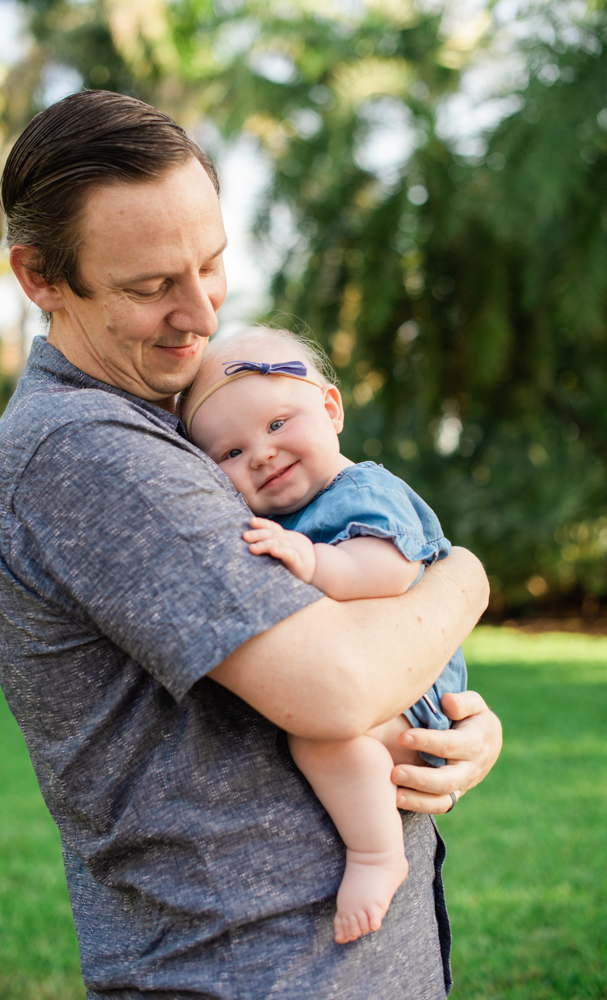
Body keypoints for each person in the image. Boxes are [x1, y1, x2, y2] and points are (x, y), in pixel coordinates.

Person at [0, 90, 501, 1000]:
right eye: (148, 287)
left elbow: (353, 645)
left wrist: (447, 717)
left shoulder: (177, 422)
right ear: (40, 278)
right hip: (251, 970)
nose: (201, 314)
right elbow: (333, 688)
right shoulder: (90, 451)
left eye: (211, 264)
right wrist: (465, 578)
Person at [183, 326, 468, 946]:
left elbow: (391, 569)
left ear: (331, 408)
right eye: (229, 454)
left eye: (279, 423)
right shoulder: (284, 518)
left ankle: (374, 855)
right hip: (395, 689)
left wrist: (312, 562)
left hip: (411, 697)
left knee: (319, 738)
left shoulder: (364, 492)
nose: (260, 453)